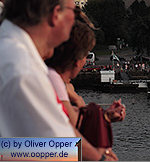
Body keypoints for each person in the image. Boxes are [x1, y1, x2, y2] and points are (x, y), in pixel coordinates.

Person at [0, 0, 81, 139]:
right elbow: (57, 149)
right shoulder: (25, 71)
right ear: (55, 14)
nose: (74, 17)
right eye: (73, 10)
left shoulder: (8, 50)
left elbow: (9, 147)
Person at [43, 15, 116, 160]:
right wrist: (101, 157)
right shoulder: (52, 79)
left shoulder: (53, 79)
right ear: (77, 61)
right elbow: (69, 128)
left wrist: (105, 117)